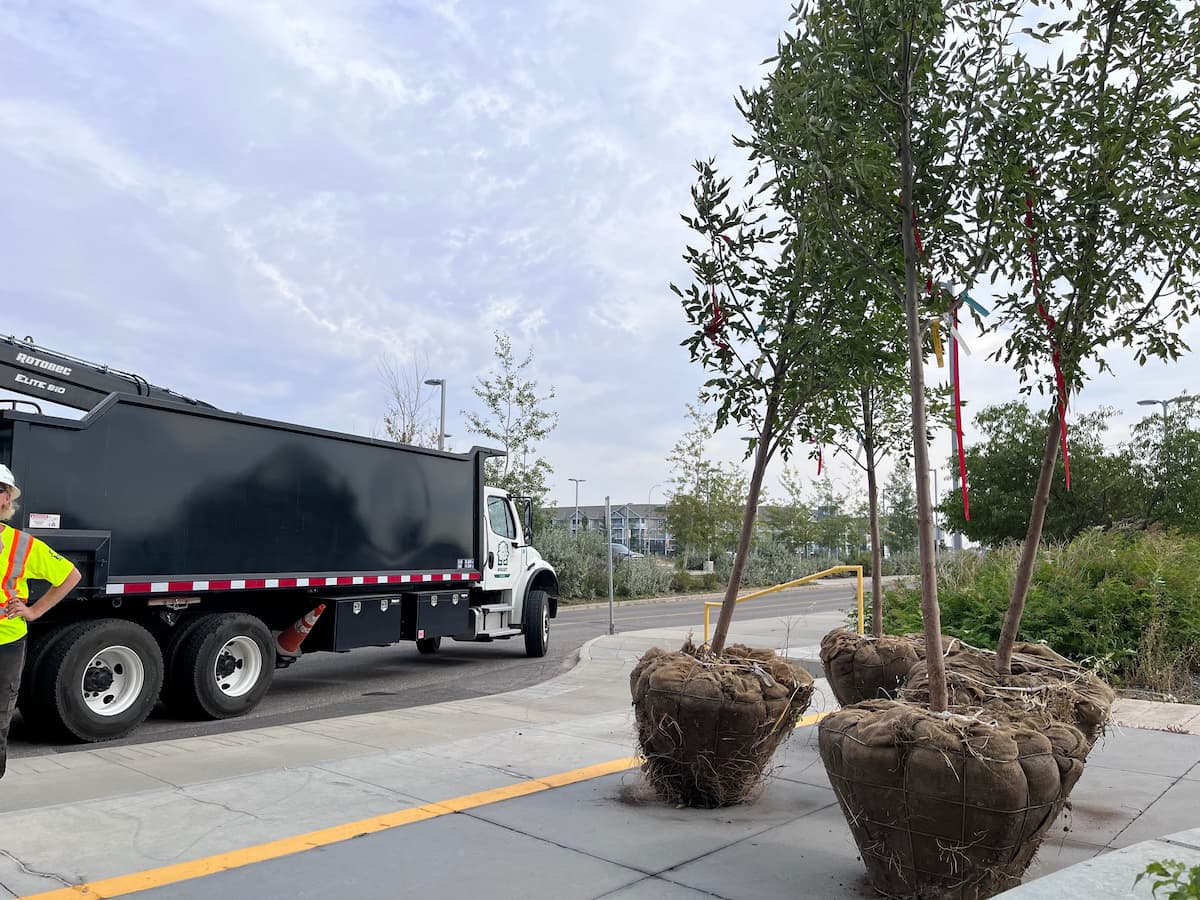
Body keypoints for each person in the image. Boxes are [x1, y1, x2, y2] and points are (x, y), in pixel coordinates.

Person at [0, 464, 80, 779]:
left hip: (5, 644)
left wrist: (35, 611)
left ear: (7, 500)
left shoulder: (22, 545)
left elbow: (70, 575)